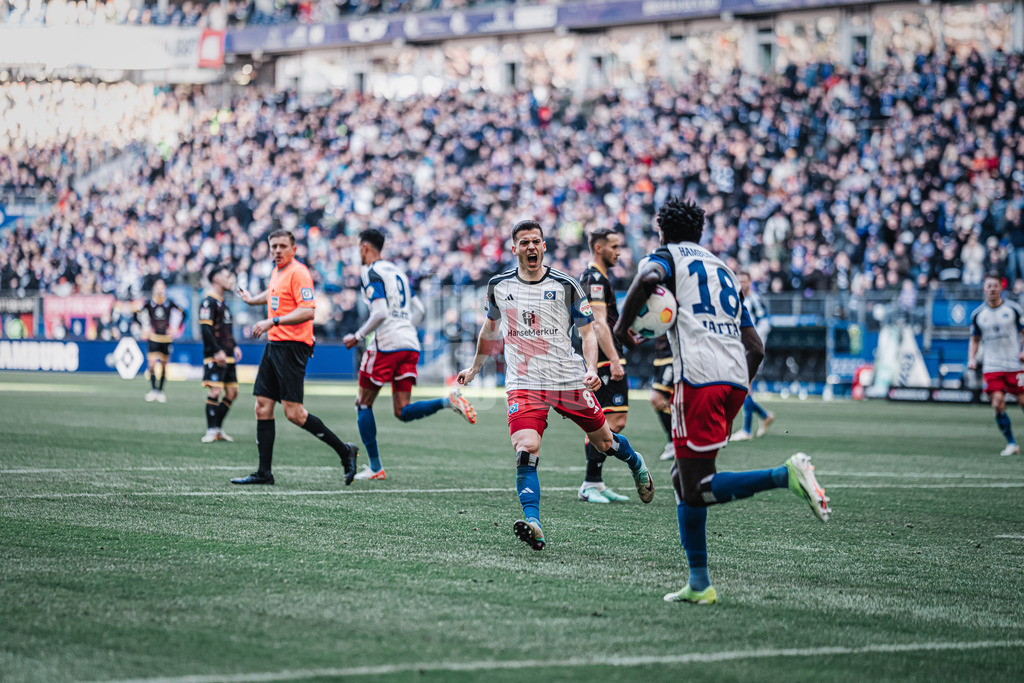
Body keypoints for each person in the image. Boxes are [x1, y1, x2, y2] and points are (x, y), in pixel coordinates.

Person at [613, 197, 830, 605]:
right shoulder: (724, 271)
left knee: (696, 488)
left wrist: (622, 326)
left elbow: (647, 280)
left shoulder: (667, 258)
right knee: (682, 479)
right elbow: (757, 347)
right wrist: (735, 393)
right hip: (733, 380)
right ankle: (699, 584)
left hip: (698, 379)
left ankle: (784, 476)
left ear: (663, 230)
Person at [457, 219, 654, 551]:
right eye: (524, 243)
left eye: (536, 241)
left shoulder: (566, 285)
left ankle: (636, 462)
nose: (531, 247)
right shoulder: (499, 285)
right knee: (526, 448)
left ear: (544, 246)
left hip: (566, 379)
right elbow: (490, 329)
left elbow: (588, 332)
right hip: (523, 382)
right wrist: (475, 367)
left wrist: (592, 368)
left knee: (605, 442)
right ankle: (533, 521)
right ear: (514, 248)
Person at [343, 228, 477, 480]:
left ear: (364, 248)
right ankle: (446, 401)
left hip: (387, 343)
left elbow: (380, 312)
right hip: (410, 342)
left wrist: (358, 336)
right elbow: (418, 308)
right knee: (402, 410)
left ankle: (375, 467)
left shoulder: (371, 272)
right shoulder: (398, 272)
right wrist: (404, 328)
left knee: (362, 402)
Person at [231, 229, 358, 486]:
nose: (277, 250)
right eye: (273, 246)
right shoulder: (278, 271)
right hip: (275, 344)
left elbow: (308, 311)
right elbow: (273, 294)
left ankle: (345, 451)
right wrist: (252, 300)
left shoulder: (299, 272)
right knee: (262, 406)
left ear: (294, 249)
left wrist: (272, 320)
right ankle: (264, 473)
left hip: (292, 346)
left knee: (294, 414)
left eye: (282, 246)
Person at [576, 227, 633, 503]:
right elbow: (597, 323)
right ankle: (590, 482)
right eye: (613, 246)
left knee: (609, 421)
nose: (618, 252)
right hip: (601, 357)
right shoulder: (593, 278)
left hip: (604, 354)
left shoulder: (595, 278)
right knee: (612, 420)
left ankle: (594, 482)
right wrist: (613, 360)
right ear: (598, 248)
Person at [968, 272, 1024, 456]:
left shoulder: (1014, 310)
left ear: (1001, 287)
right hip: (992, 366)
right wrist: (972, 358)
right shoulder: (978, 315)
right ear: (984, 289)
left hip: (1015, 364)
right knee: (998, 403)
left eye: (995, 285)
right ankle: (1011, 443)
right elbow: (975, 339)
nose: (992, 289)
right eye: (988, 286)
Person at [200, 264, 242, 443]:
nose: (230, 279)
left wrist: (235, 346)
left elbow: (226, 331)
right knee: (216, 390)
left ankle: (217, 428)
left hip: (229, 354)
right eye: (227, 276)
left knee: (232, 392)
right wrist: (217, 351)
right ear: (216, 279)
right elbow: (206, 329)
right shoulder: (208, 301)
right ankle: (211, 430)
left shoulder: (223, 303)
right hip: (216, 355)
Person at [731, 271, 775, 440]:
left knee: (745, 386)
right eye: (739, 280)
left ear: (750, 283)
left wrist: (755, 342)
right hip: (739, 349)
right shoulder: (735, 300)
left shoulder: (754, 300)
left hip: (751, 351)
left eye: (744, 281)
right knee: (742, 387)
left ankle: (747, 430)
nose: (741, 283)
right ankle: (764, 415)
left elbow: (765, 324)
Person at [139, 279, 184, 403]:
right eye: (157, 287)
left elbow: (183, 313)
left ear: (164, 289)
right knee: (152, 364)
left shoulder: (169, 303)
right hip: (153, 338)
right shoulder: (149, 303)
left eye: (162, 287)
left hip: (166, 338)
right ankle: (153, 390)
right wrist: (144, 328)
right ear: (154, 288)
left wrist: (176, 328)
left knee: (164, 365)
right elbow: (137, 314)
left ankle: (160, 391)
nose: (160, 289)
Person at [650, 335, 676, 460]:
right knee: (670, 402)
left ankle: (673, 443)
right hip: (660, 355)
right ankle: (678, 441)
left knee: (657, 398)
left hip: (672, 355)